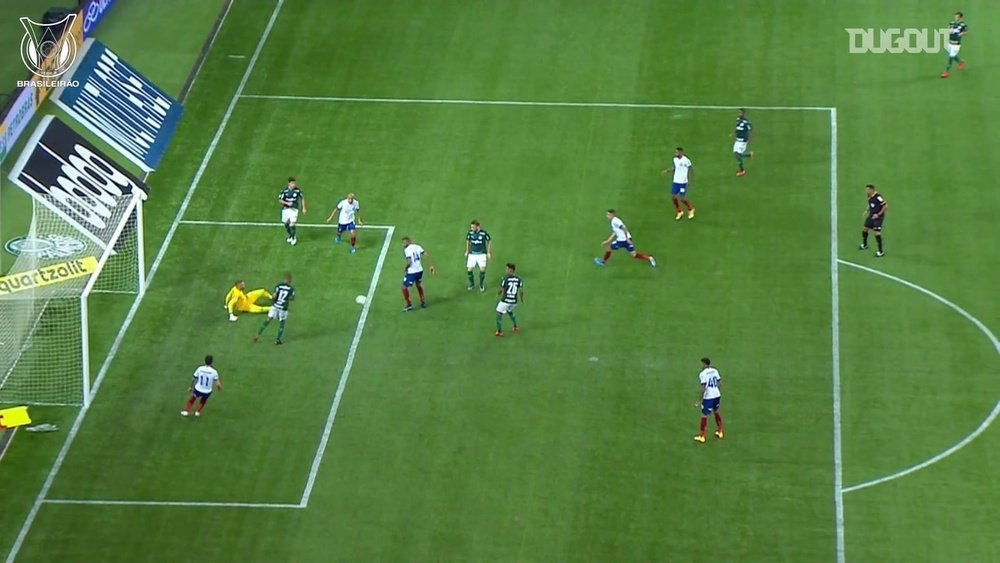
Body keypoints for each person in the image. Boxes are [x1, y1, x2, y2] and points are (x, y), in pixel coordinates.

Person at [253, 274, 295, 345]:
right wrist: (286, 299)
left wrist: (273, 301)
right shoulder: (291, 289)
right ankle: (278, 340)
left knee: (268, 320)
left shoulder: (279, 286)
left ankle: (258, 335)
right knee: (282, 323)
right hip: (283, 308)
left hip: (275, 306)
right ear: (290, 280)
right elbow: (292, 298)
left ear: (284, 279)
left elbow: (274, 296)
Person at [693, 357, 724, 443]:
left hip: (708, 398)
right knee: (716, 411)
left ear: (704, 364)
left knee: (704, 415)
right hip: (717, 395)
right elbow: (720, 383)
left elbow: (703, 387)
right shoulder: (715, 371)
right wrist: (716, 391)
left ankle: (702, 436)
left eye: (701, 364)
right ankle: (720, 431)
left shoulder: (703, 374)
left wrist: (699, 400)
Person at [401, 237, 436, 312]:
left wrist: (406, 268)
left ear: (408, 242)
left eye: (404, 243)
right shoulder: (418, 246)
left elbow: (409, 262)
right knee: (418, 284)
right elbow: (426, 255)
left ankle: (409, 305)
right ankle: (423, 302)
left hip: (412, 272)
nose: (403, 244)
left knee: (404, 287)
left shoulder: (407, 250)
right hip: (420, 270)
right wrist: (431, 265)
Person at [663, 147, 695, 220]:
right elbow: (675, 168)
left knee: (682, 198)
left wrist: (690, 181)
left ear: (681, 153)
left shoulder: (686, 160)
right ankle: (679, 211)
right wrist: (668, 170)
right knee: (673, 197)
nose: (676, 154)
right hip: (675, 182)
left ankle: (691, 209)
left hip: (683, 182)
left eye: (677, 152)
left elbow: (691, 170)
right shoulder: (675, 159)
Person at [860, 184, 888, 258]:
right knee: (865, 229)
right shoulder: (869, 196)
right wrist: (867, 210)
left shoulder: (878, 197)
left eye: (867, 190)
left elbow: (885, 206)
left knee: (877, 233)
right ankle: (865, 245)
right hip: (871, 215)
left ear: (872, 190)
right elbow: (870, 204)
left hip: (878, 217)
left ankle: (880, 251)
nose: (866, 191)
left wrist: (878, 215)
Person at [495, 263, 523, 337]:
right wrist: (521, 299)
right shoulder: (519, 279)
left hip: (506, 301)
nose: (506, 270)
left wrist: (498, 294)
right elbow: (521, 291)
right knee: (509, 311)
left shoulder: (505, 279)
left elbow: (502, 289)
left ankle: (499, 331)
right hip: (514, 301)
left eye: (507, 269)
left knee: (499, 313)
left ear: (511, 270)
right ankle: (516, 327)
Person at [465, 220, 493, 292]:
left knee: (482, 269)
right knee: (469, 270)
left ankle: (481, 284)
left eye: (473, 227)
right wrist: (467, 251)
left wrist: (488, 252)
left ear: (477, 227)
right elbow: (468, 241)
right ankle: (472, 284)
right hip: (472, 254)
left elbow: (489, 241)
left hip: (481, 254)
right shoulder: (470, 233)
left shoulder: (483, 233)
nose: (472, 228)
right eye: (471, 227)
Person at [278, 177, 307, 246]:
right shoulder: (284, 191)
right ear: (289, 184)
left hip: (294, 209)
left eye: (294, 183)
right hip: (285, 209)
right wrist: (287, 203)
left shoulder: (297, 191)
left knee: (292, 224)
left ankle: (294, 238)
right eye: (292, 183)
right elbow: (280, 200)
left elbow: (302, 198)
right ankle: (291, 235)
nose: (294, 184)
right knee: (286, 224)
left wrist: (304, 208)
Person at [941, 12, 968, 78]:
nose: (956, 18)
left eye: (957, 17)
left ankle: (947, 72)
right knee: (953, 55)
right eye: (955, 17)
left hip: (956, 44)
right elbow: (948, 29)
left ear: (961, 17)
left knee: (951, 57)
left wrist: (961, 34)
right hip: (950, 43)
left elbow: (966, 32)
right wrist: (949, 30)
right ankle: (960, 62)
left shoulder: (963, 25)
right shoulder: (952, 23)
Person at [733, 108, 754, 176]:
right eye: (739, 113)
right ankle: (749, 155)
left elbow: (750, 131)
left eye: (741, 113)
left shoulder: (746, 122)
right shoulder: (737, 120)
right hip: (737, 140)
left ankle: (742, 171)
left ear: (743, 114)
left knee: (738, 155)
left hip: (743, 141)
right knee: (737, 154)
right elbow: (737, 128)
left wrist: (749, 140)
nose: (739, 114)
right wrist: (733, 133)